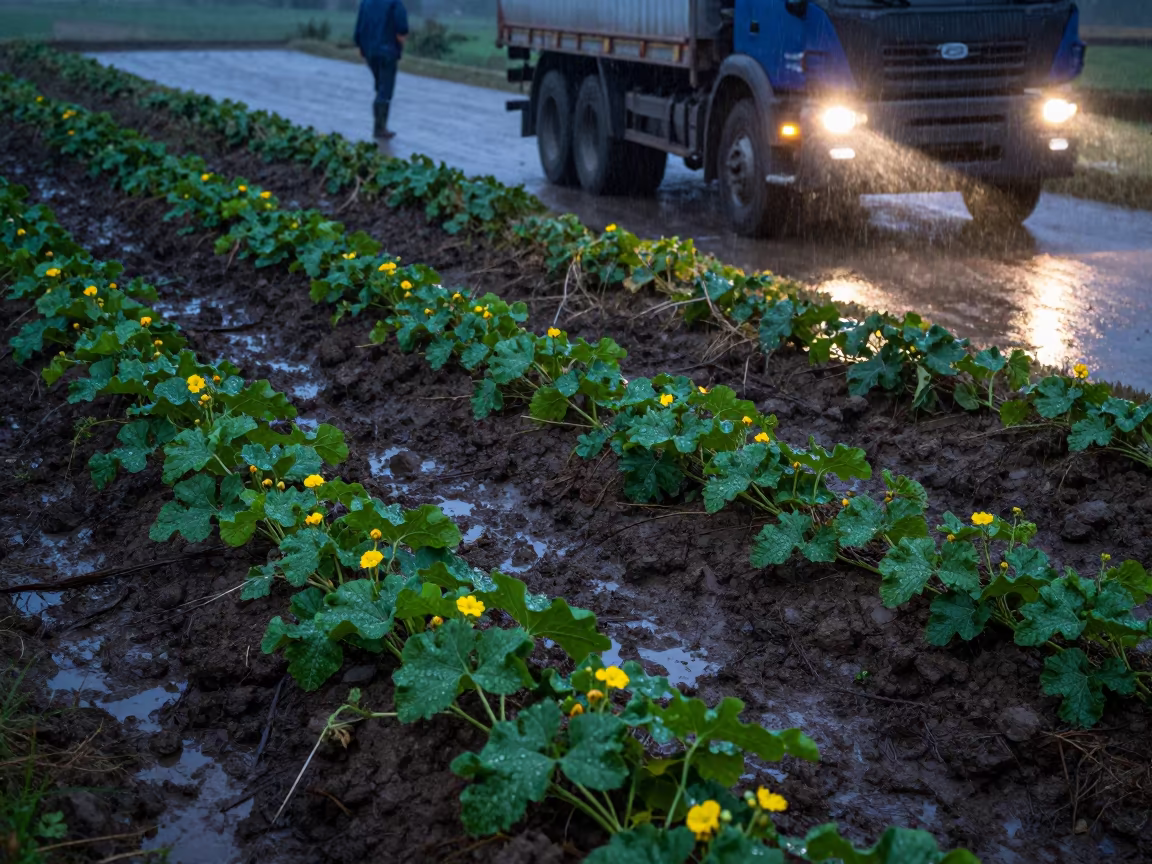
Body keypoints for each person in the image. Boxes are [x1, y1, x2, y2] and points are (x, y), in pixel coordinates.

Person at [355, 0, 409, 142]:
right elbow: (402, 27)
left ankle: (379, 126)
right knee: (385, 89)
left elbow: (359, 27)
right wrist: (401, 45)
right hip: (388, 50)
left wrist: (361, 46)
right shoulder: (394, 2)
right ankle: (379, 128)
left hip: (370, 51)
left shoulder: (365, 2)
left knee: (379, 86)